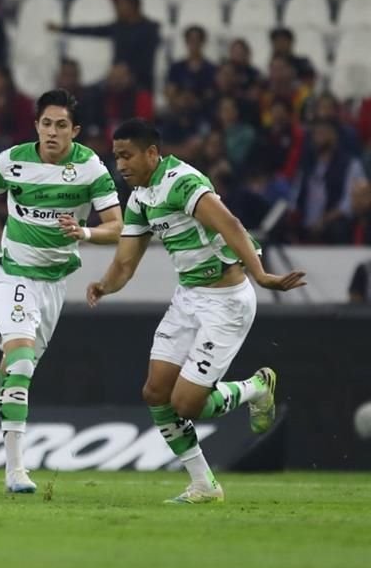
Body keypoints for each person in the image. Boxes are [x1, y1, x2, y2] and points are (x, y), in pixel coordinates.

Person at [86, 118, 306, 504]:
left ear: (151, 153)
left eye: (127, 156)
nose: (119, 165)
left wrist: (261, 274)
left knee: (186, 404)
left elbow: (231, 224)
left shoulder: (183, 182)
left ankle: (255, 388)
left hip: (226, 303)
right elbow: (125, 263)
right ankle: (203, 484)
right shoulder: (140, 198)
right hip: (188, 298)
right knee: (155, 392)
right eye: (116, 157)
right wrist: (105, 285)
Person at [0, 89, 123, 493]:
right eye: (46, 124)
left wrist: (86, 231)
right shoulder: (13, 160)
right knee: (21, 363)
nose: (52, 132)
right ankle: (15, 472)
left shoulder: (90, 169)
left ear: (74, 130)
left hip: (54, 282)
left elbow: (117, 225)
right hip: (12, 272)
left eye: (61, 126)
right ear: (36, 125)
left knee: (13, 375)